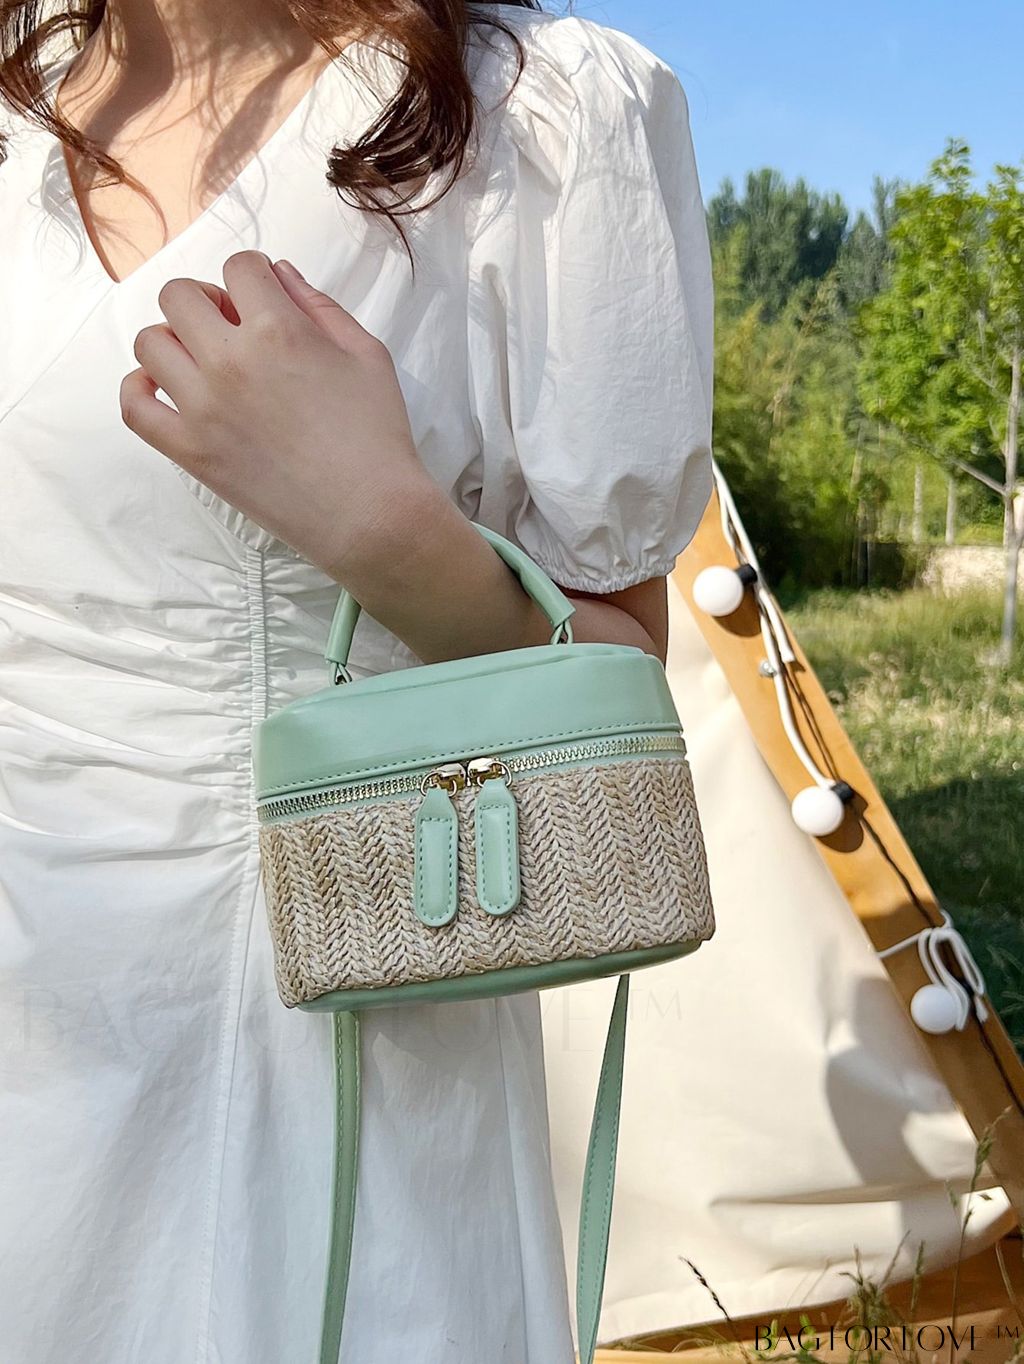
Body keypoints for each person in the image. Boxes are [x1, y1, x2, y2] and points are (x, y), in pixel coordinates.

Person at [0, 0, 714, 1359]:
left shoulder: (543, 109)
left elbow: (622, 695)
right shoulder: (16, 109)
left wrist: (386, 531)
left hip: (335, 1024)